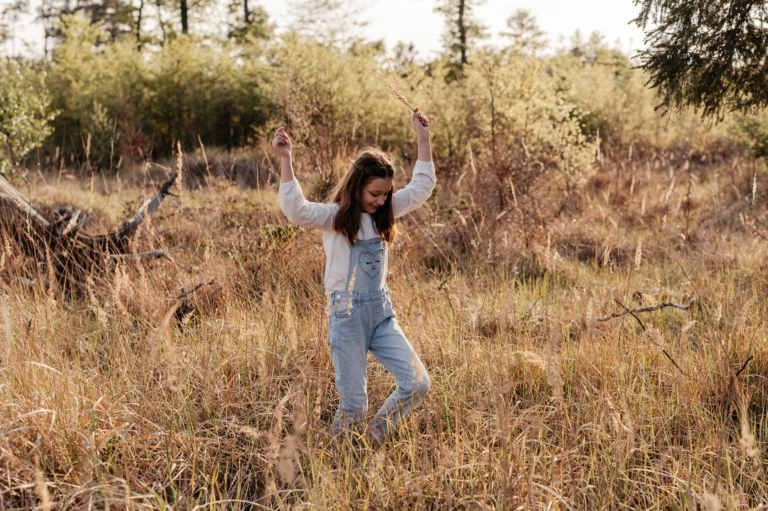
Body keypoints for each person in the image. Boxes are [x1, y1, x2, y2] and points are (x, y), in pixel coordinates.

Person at [272, 109, 435, 447]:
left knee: (417, 382)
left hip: (381, 313)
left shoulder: (386, 212)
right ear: (357, 186)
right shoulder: (334, 218)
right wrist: (286, 159)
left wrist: (423, 139)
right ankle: (335, 463)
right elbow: (297, 210)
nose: (381, 200)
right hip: (346, 316)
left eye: (386, 194)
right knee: (354, 407)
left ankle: (374, 437)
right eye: (374, 194)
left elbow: (421, 187)